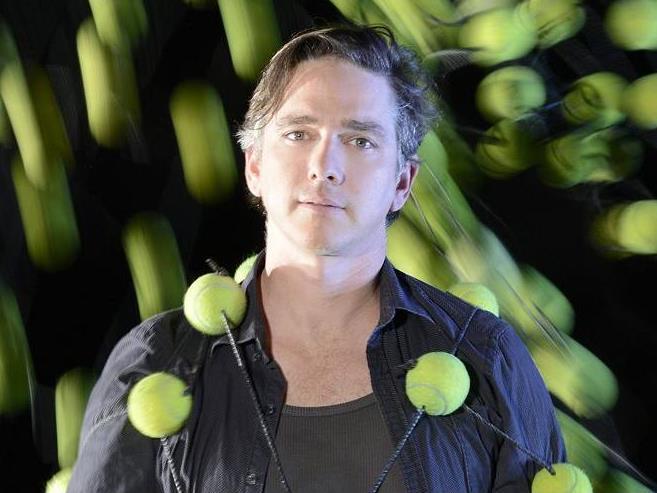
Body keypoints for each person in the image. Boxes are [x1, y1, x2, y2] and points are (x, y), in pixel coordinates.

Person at [68, 24, 565, 493]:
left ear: (402, 183)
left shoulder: (486, 353)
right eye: (299, 133)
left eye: (360, 140)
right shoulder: (157, 360)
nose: (324, 166)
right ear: (254, 165)